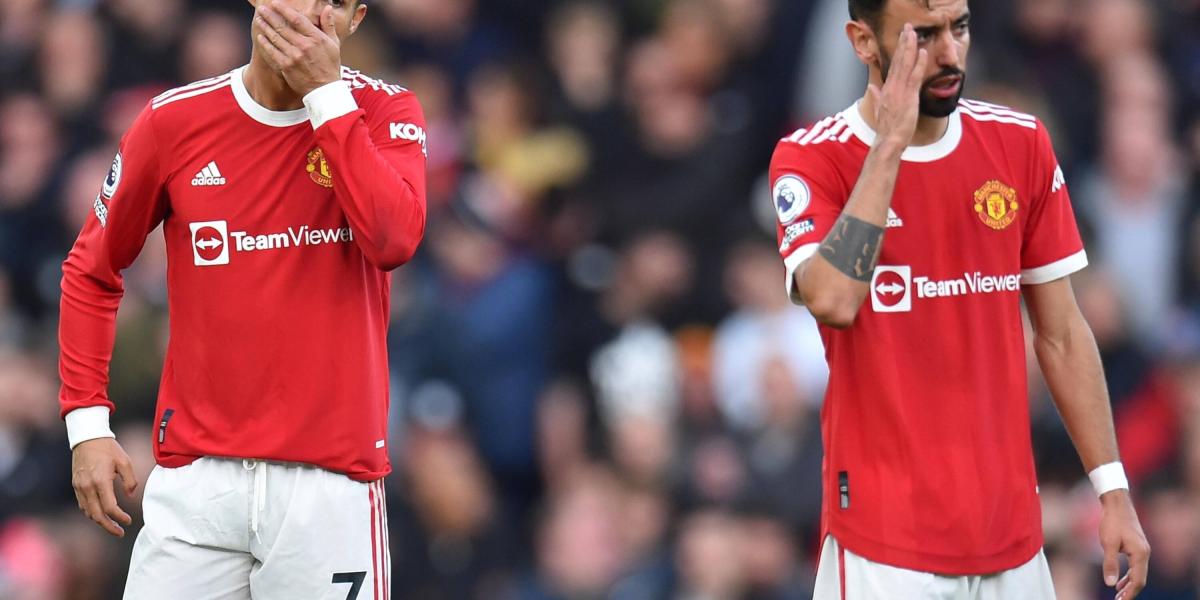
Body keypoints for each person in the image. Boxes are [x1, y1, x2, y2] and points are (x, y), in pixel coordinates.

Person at [769, 1, 1151, 599]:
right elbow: (834, 300)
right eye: (923, 35)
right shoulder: (813, 157)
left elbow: (1062, 333)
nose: (950, 53)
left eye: (960, 27)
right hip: (884, 545)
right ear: (863, 43)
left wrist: (1113, 489)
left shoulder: (1018, 143)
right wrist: (890, 145)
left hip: (1013, 541)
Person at [58, 0, 427, 597]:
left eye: (332, 2)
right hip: (198, 484)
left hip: (328, 487)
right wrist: (87, 424)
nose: (309, 11)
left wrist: (327, 99)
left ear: (354, 20)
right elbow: (91, 268)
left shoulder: (385, 111)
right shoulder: (174, 121)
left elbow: (393, 239)